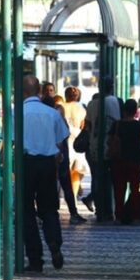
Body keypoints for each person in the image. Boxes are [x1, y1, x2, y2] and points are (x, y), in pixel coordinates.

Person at [22, 75, 69, 272]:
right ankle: (54, 242)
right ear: (39, 91)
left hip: (26, 163)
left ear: (22, 91)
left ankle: (35, 258)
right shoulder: (52, 113)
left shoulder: (18, 112)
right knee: (49, 208)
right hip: (48, 164)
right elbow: (61, 139)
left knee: (26, 212)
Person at [82, 77, 120, 222]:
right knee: (110, 179)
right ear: (112, 87)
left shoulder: (92, 104)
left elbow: (88, 125)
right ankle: (110, 210)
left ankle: (100, 209)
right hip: (112, 147)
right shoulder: (116, 102)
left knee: (97, 178)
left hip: (95, 146)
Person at [51, 94, 86, 224]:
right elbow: (62, 139)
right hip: (60, 157)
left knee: (63, 186)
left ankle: (69, 211)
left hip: (60, 158)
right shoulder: (60, 122)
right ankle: (71, 212)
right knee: (63, 185)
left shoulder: (54, 119)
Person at [109, 99, 140, 224]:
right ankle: (135, 216)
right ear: (135, 111)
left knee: (119, 189)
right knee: (135, 189)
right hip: (135, 161)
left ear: (123, 110)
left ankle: (118, 216)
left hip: (119, 160)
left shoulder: (117, 125)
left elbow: (110, 140)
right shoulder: (139, 126)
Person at [63, 86, 88, 200]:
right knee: (77, 172)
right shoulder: (82, 108)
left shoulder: (61, 107)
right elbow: (84, 125)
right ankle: (73, 196)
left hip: (65, 140)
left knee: (65, 171)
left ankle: (67, 195)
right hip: (77, 140)